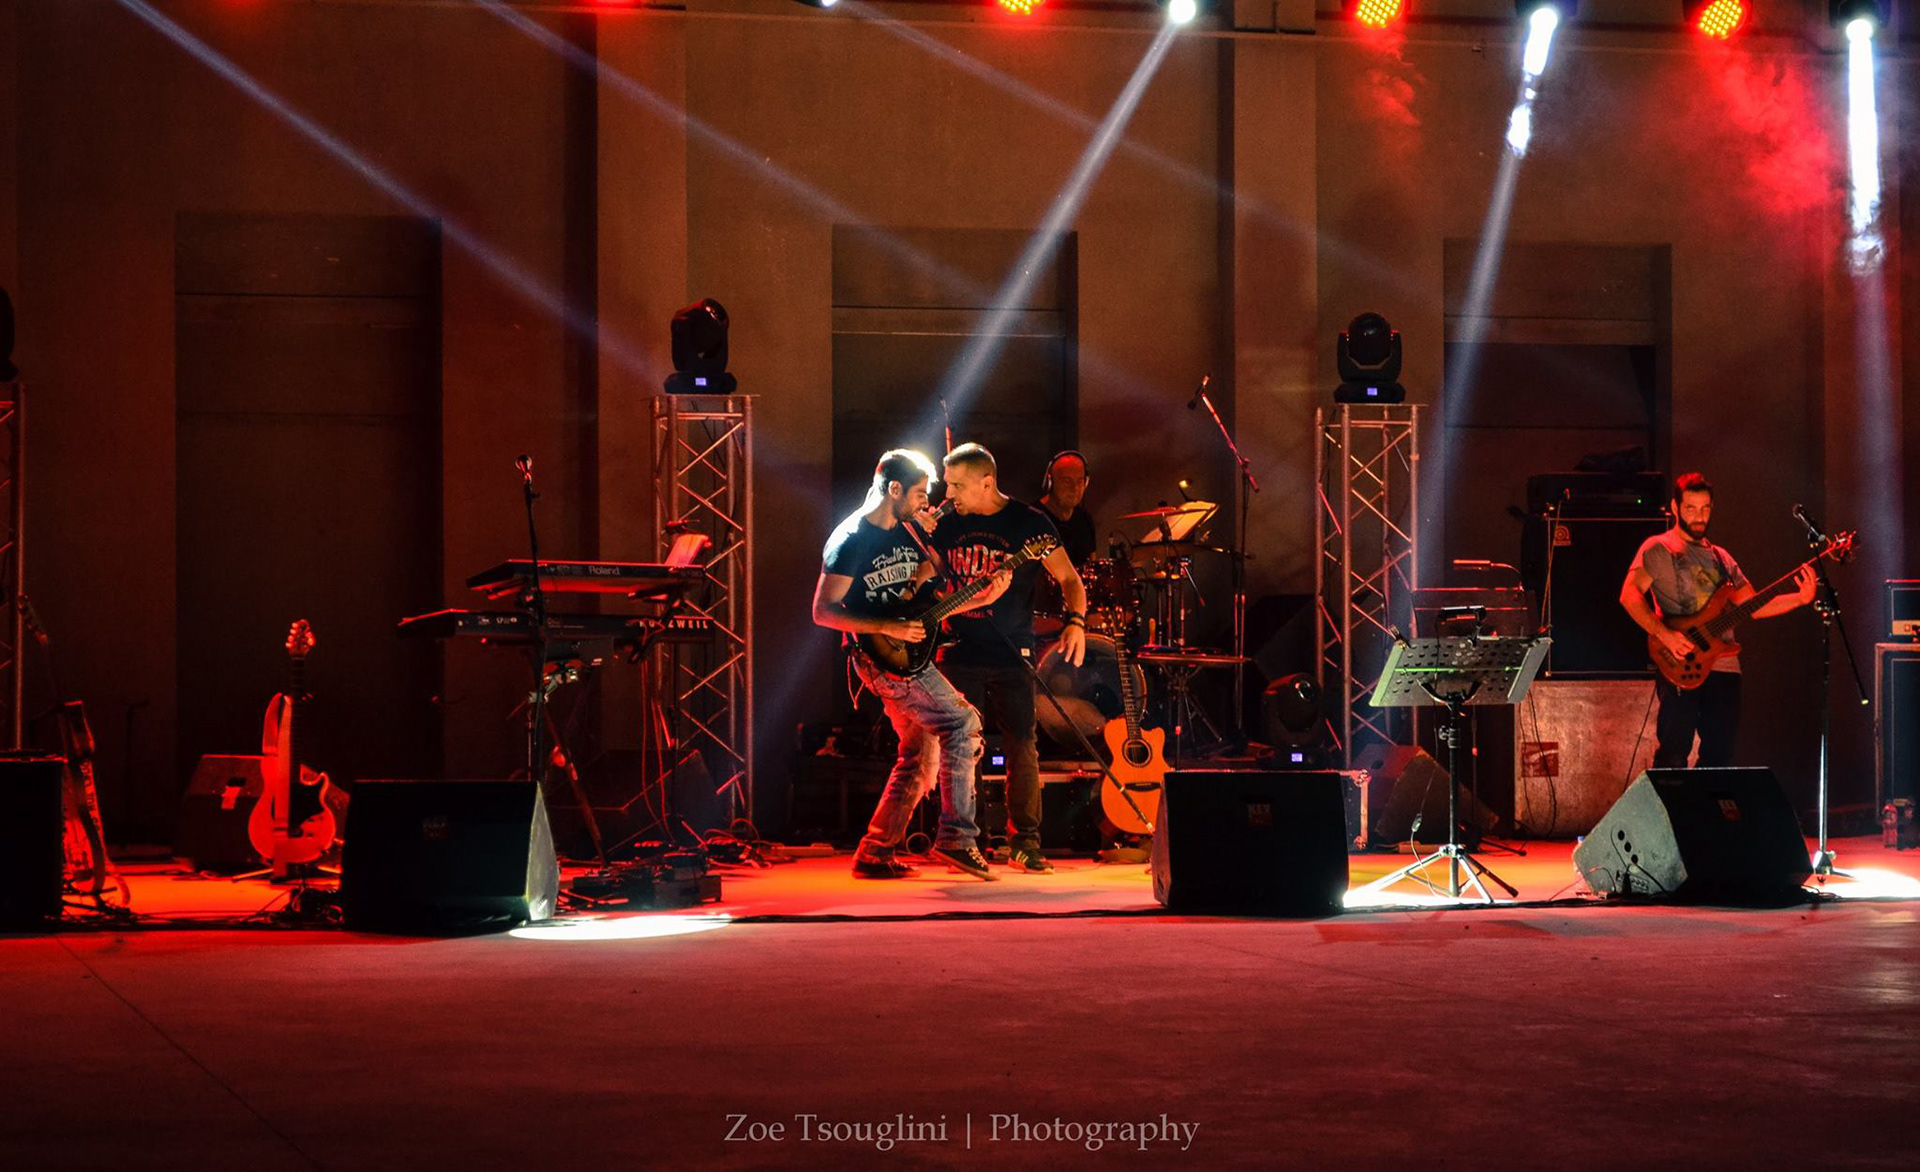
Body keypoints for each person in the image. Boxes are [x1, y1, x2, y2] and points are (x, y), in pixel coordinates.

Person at [812, 449, 1003, 881]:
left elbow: (924, 604)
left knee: (918, 756)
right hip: (881, 661)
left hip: (907, 654)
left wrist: (981, 597)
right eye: (919, 494)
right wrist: (885, 626)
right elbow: (823, 612)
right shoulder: (850, 539)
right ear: (894, 489)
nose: (924, 503)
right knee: (962, 723)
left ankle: (874, 853)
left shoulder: (907, 533)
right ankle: (957, 839)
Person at [931, 443, 1087, 874]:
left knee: (1021, 744)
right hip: (957, 647)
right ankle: (967, 841)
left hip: (1011, 648)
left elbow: (1070, 578)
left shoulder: (1028, 523)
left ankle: (1025, 842)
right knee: (961, 747)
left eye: (957, 485)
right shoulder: (947, 522)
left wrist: (1076, 622)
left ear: (986, 483)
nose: (949, 494)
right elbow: (924, 579)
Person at [1618, 472, 1815, 768]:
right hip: (1681, 659)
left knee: (1720, 755)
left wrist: (1800, 599)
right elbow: (1629, 595)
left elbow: (1753, 606)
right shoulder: (1659, 548)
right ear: (1675, 507)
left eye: (1705, 508)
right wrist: (1665, 634)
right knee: (1674, 752)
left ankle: (1706, 800)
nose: (1699, 517)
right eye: (1691, 508)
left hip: (1725, 665)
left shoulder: (1722, 558)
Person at [1039, 450, 1098, 568]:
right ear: (1050, 482)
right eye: (1067, 481)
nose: (1074, 488)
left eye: (1079, 481)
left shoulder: (1085, 518)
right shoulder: (1032, 519)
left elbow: (1092, 565)